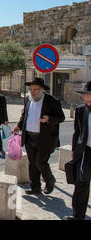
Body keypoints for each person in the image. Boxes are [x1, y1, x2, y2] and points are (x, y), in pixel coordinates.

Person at [13, 78, 65, 195]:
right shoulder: (28, 99)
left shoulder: (52, 101)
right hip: (29, 137)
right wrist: (19, 126)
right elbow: (24, 115)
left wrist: (49, 119)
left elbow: (61, 117)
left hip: (46, 139)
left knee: (40, 162)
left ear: (42, 90)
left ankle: (50, 180)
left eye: (35, 90)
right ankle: (35, 188)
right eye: (31, 89)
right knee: (32, 163)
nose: (33, 92)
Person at [64, 81, 91, 220]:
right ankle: (78, 216)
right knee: (81, 183)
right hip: (86, 151)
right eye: (85, 94)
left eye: (88, 94)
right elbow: (77, 132)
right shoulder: (81, 109)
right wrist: (75, 149)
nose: (85, 96)